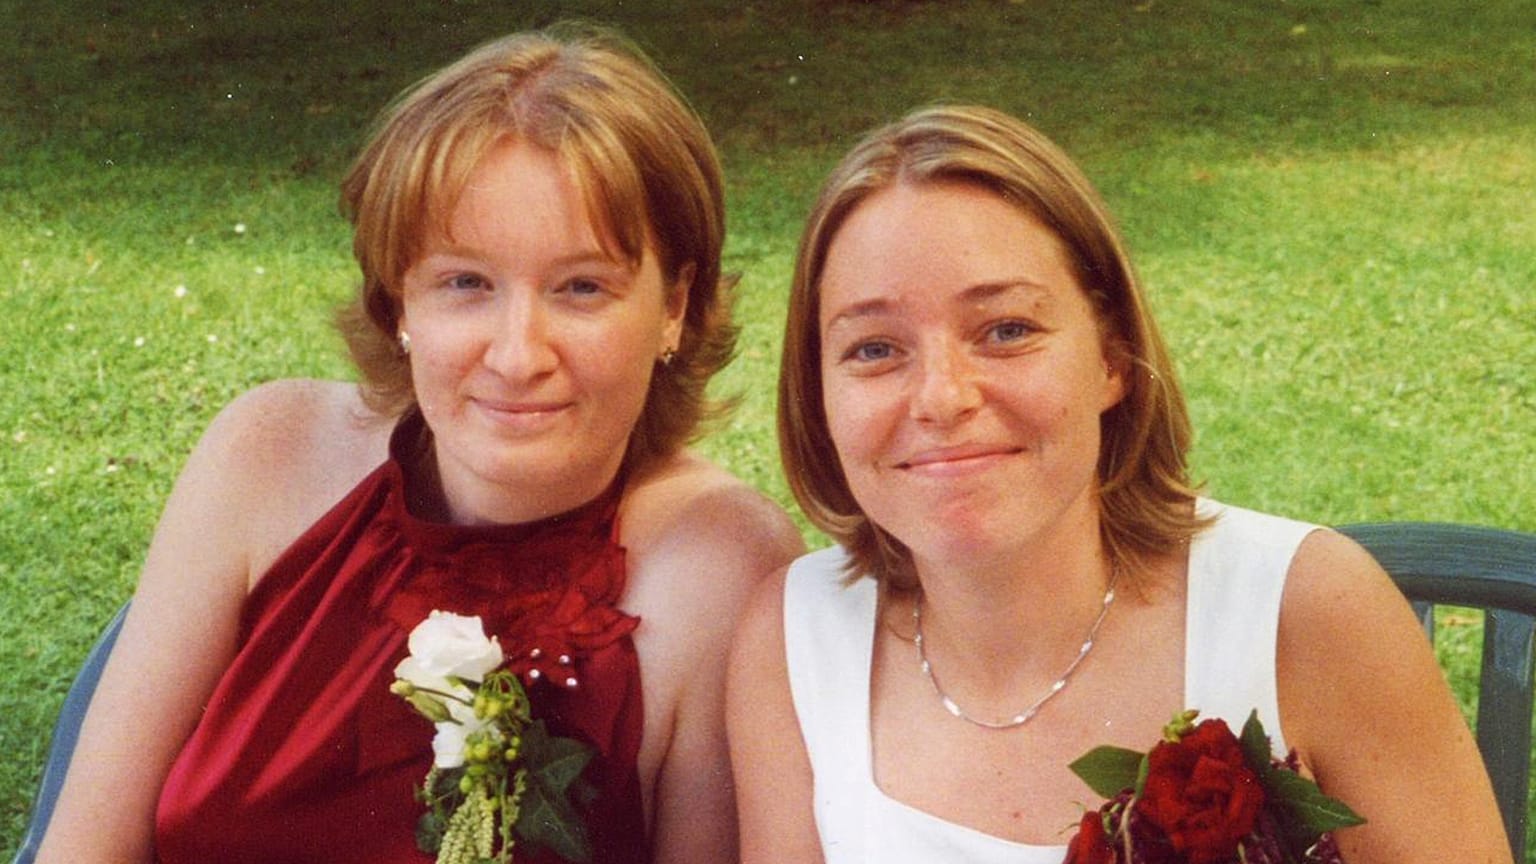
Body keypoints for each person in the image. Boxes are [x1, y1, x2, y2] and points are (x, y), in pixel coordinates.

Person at [34, 26, 803, 864]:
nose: (517, 355)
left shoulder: (727, 570)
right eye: (465, 284)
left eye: (582, 287)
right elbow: (81, 849)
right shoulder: (264, 456)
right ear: (399, 299)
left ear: (675, 307)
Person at [727, 105, 1509, 863]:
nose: (941, 398)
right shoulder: (794, 640)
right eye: (873, 349)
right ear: (817, 390)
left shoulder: (1305, 611)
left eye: (1007, 330)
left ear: (1112, 357)